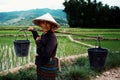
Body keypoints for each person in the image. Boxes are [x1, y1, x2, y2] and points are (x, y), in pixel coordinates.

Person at [28, 13, 60, 80]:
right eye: (43, 23)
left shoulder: (52, 37)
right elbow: (40, 40)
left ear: (51, 25)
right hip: (42, 63)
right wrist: (33, 31)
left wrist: (38, 42)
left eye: (47, 23)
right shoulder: (44, 34)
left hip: (48, 64)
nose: (45, 25)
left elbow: (47, 54)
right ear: (40, 24)